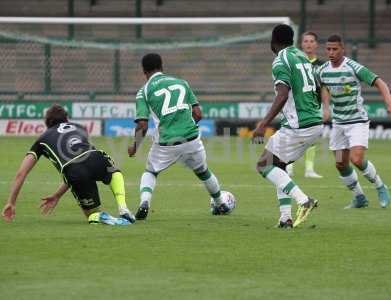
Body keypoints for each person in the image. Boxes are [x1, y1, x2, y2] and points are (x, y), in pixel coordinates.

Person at [128, 53, 227, 220]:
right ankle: (219, 203)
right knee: (203, 172)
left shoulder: (143, 92)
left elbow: (143, 125)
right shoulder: (182, 83)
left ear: (144, 71)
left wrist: (135, 147)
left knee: (151, 171)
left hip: (166, 143)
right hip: (191, 138)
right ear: (162, 66)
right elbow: (198, 113)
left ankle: (144, 202)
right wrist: (187, 129)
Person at [2, 104, 134, 225]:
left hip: (73, 170)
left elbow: (22, 173)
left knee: (92, 214)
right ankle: (123, 207)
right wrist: (57, 195)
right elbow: (84, 160)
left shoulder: (41, 140)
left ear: (47, 124)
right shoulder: (80, 128)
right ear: (67, 119)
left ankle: (98, 217)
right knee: (113, 171)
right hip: (94, 157)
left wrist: (11, 202)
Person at [252, 24, 322, 228]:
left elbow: (282, 95)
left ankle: (303, 200)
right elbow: (317, 87)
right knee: (279, 166)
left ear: (273, 41)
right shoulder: (302, 57)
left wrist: (262, 125)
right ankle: (285, 219)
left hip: (299, 125)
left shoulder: (281, 60)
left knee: (264, 165)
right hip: (313, 121)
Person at [318, 34, 391, 208]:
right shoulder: (323, 70)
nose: (331, 52)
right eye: (328, 49)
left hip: (357, 122)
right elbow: (323, 86)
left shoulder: (353, 67)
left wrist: (390, 104)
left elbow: (380, 82)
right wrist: (326, 107)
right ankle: (359, 198)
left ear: (343, 49)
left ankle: (380, 186)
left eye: (335, 49)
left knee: (356, 159)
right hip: (338, 124)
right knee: (340, 163)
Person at [286, 31, 324, 179]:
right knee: (292, 135)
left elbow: (325, 88)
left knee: (312, 137)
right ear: (301, 44)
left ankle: (309, 170)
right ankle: (288, 167)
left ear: (316, 44)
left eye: (311, 41)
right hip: (296, 105)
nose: (308, 44)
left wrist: (326, 107)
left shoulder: (321, 65)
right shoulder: (295, 61)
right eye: (305, 41)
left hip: (314, 105)